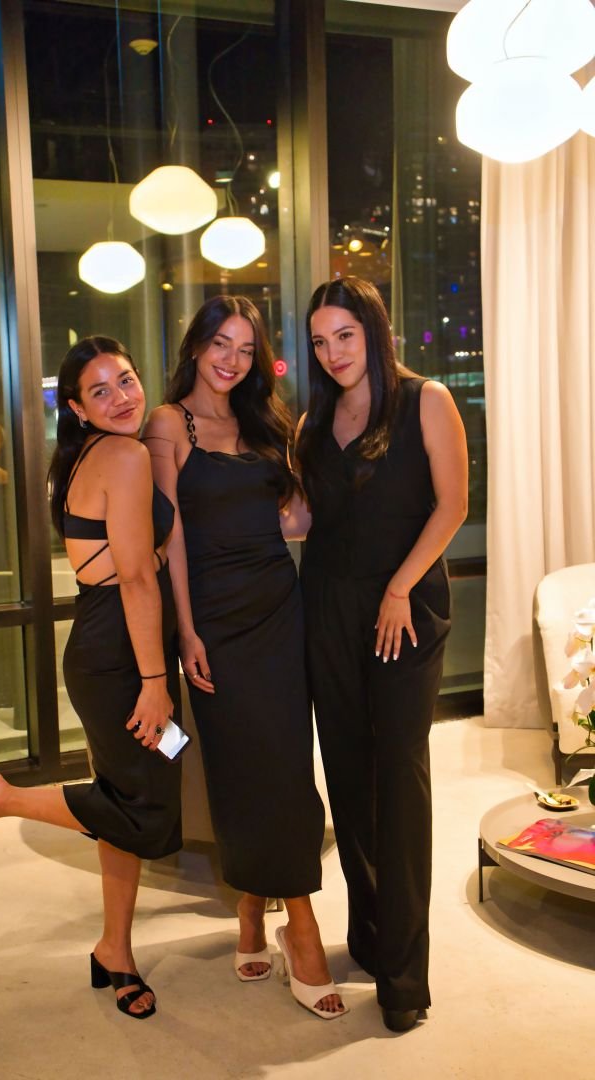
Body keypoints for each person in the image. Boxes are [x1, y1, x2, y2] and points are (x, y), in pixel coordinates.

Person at [0, 336, 181, 1021]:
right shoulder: (124, 456)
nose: (122, 397)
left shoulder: (93, 457)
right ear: (75, 407)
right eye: (100, 391)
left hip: (109, 644)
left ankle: (114, 950)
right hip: (122, 657)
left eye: (126, 380)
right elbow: (135, 575)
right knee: (150, 809)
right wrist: (155, 681)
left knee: (137, 793)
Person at [143, 296, 346, 1020]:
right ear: (196, 347)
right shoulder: (170, 423)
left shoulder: (265, 423)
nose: (231, 360)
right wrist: (187, 633)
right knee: (237, 769)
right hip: (215, 623)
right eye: (219, 345)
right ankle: (263, 913)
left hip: (276, 606)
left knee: (288, 765)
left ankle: (291, 918)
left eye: (244, 348)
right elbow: (169, 539)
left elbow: (294, 519)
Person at [294, 276, 468, 1033]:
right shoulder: (312, 418)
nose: (333, 353)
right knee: (350, 779)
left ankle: (404, 977)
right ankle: (367, 937)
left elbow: (453, 504)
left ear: (373, 329)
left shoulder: (426, 399)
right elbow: (307, 517)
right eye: (320, 341)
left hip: (404, 608)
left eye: (345, 336)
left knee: (398, 783)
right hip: (327, 607)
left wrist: (400, 587)